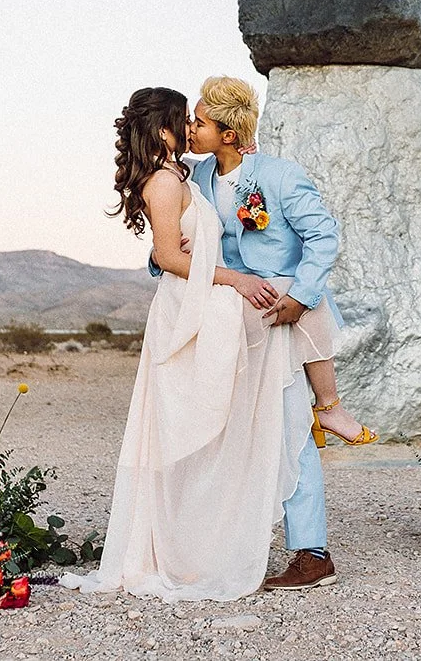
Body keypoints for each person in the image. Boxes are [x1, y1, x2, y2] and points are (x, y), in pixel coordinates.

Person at [60, 87, 313, 600]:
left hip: (204, 297)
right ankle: (323, 405)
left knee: (279, 339)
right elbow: (169, 259)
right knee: (181, 426)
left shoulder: (185, 175)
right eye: (185, 121)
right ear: (163, 131)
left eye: (199, 121)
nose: (192, 129)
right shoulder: (163, 181)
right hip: (188, 306)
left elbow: (190, 245)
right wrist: (238, 280)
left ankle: (313, 412)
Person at [179, 75, 373, 590]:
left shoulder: (280, 177)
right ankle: (218, 542)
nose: (191, 129)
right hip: (226, 325)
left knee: (288, 429)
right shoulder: (192, 181)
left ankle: (312, 553)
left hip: (281, 322)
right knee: (225, 433)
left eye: (199, 122)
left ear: (226, 132)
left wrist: (299, 297)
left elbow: (323, 236)